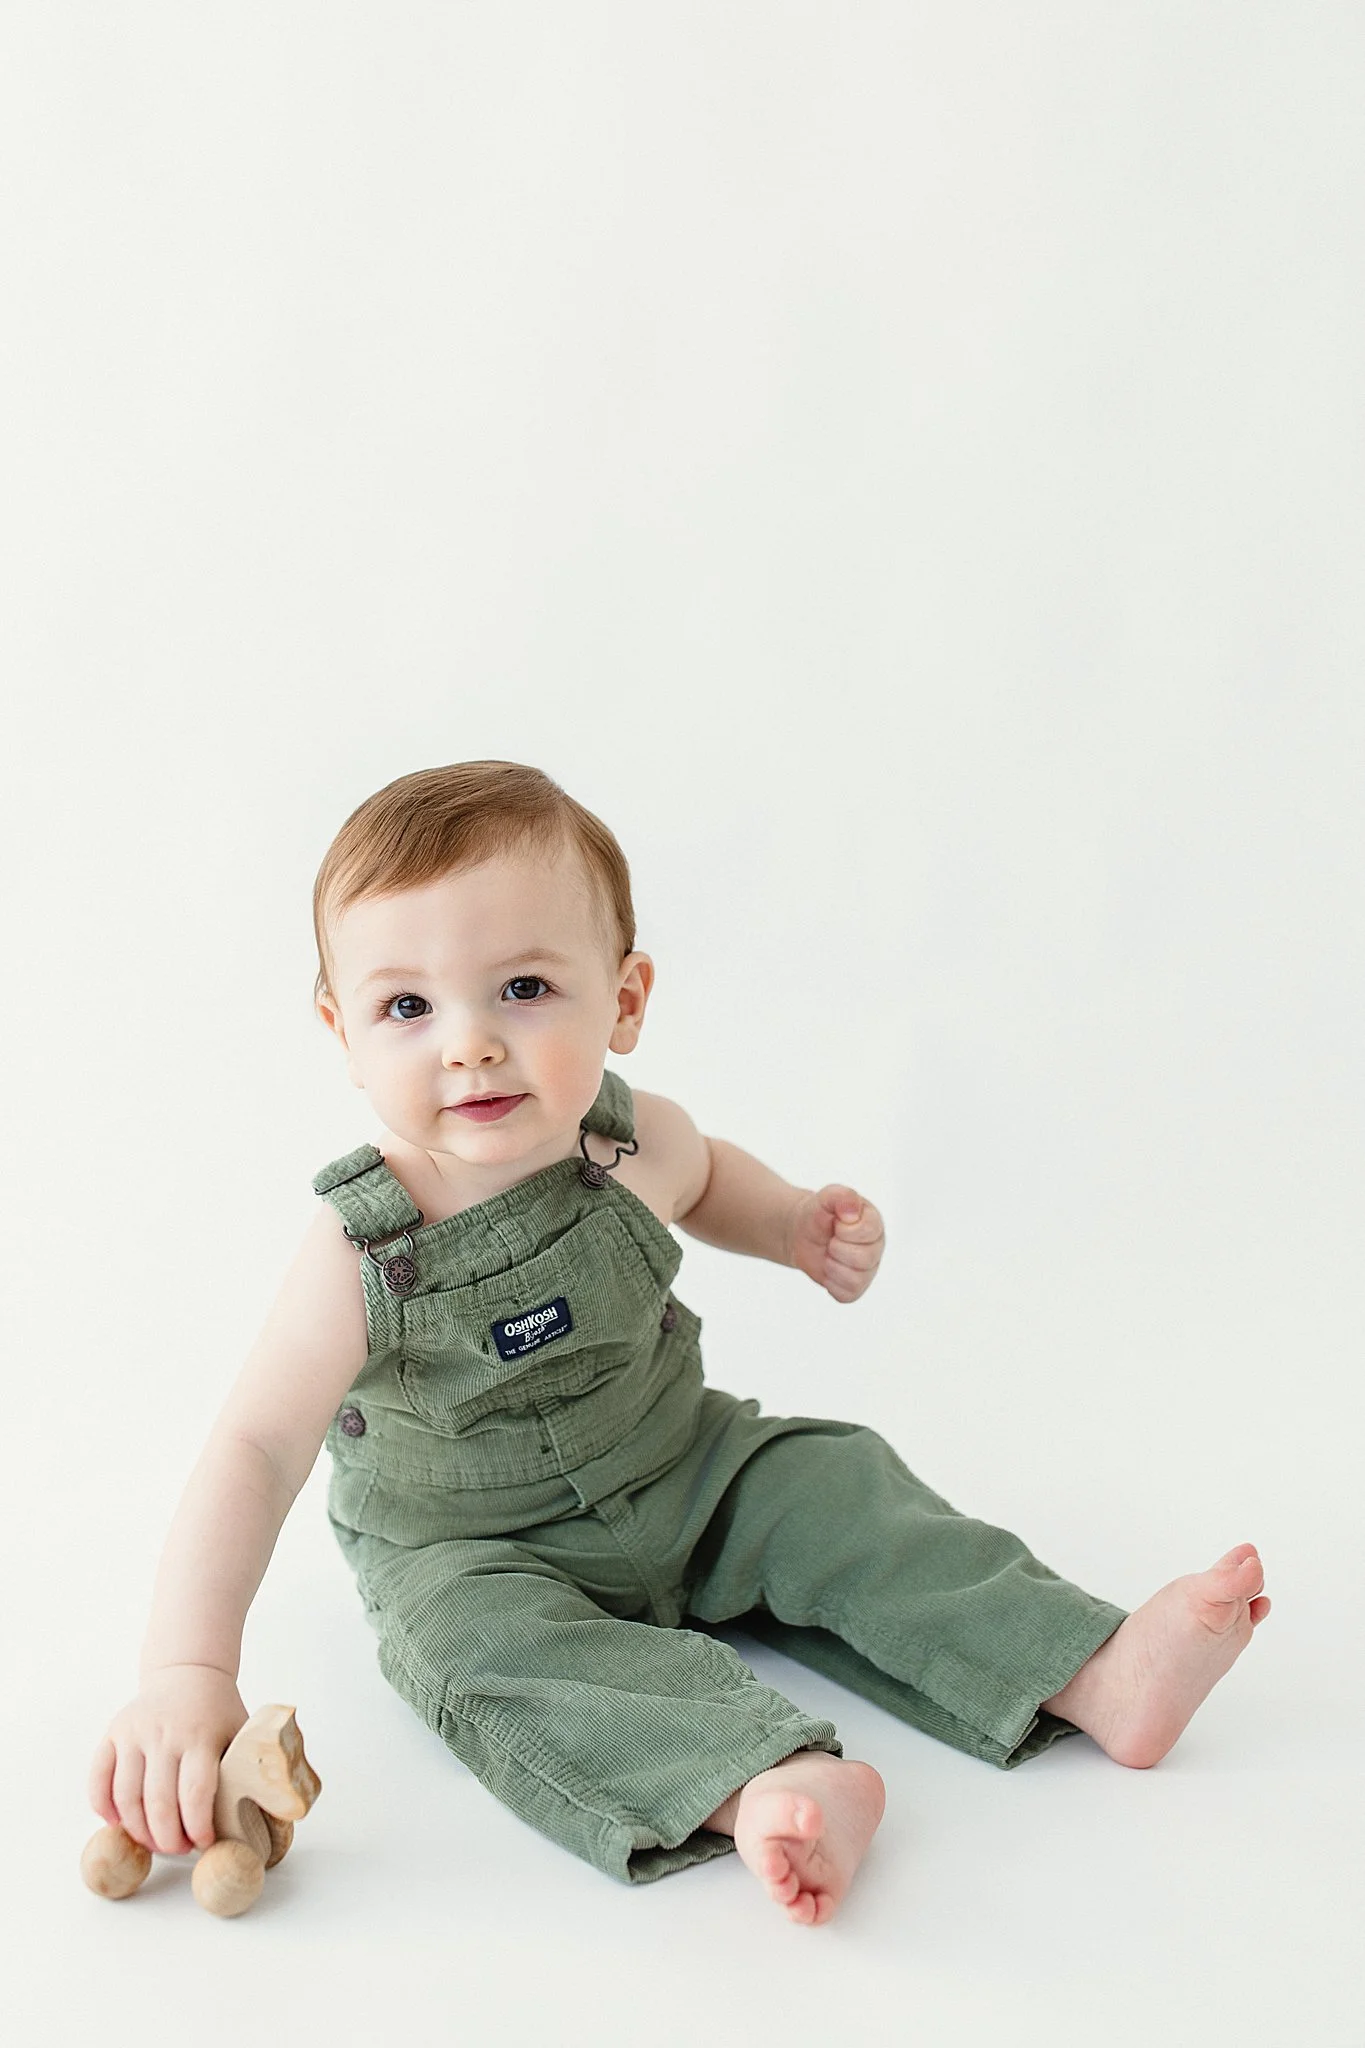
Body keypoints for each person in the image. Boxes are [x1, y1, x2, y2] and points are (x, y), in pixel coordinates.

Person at [88, 760, 1271, 1927]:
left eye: (524, 988)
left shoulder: (631, 1140)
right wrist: (186, 1674)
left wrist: (794, 1222)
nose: (470, 1044)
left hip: (686, 1465)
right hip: (473, 1549)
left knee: (840, 1484)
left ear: (626, 997)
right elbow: (254, 1445)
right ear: (343, 1031)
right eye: (409, 1007)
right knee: (482, 1658)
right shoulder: (360, 1247)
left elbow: (711, 1182)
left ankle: (1089, 1667)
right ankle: (761, 1781)